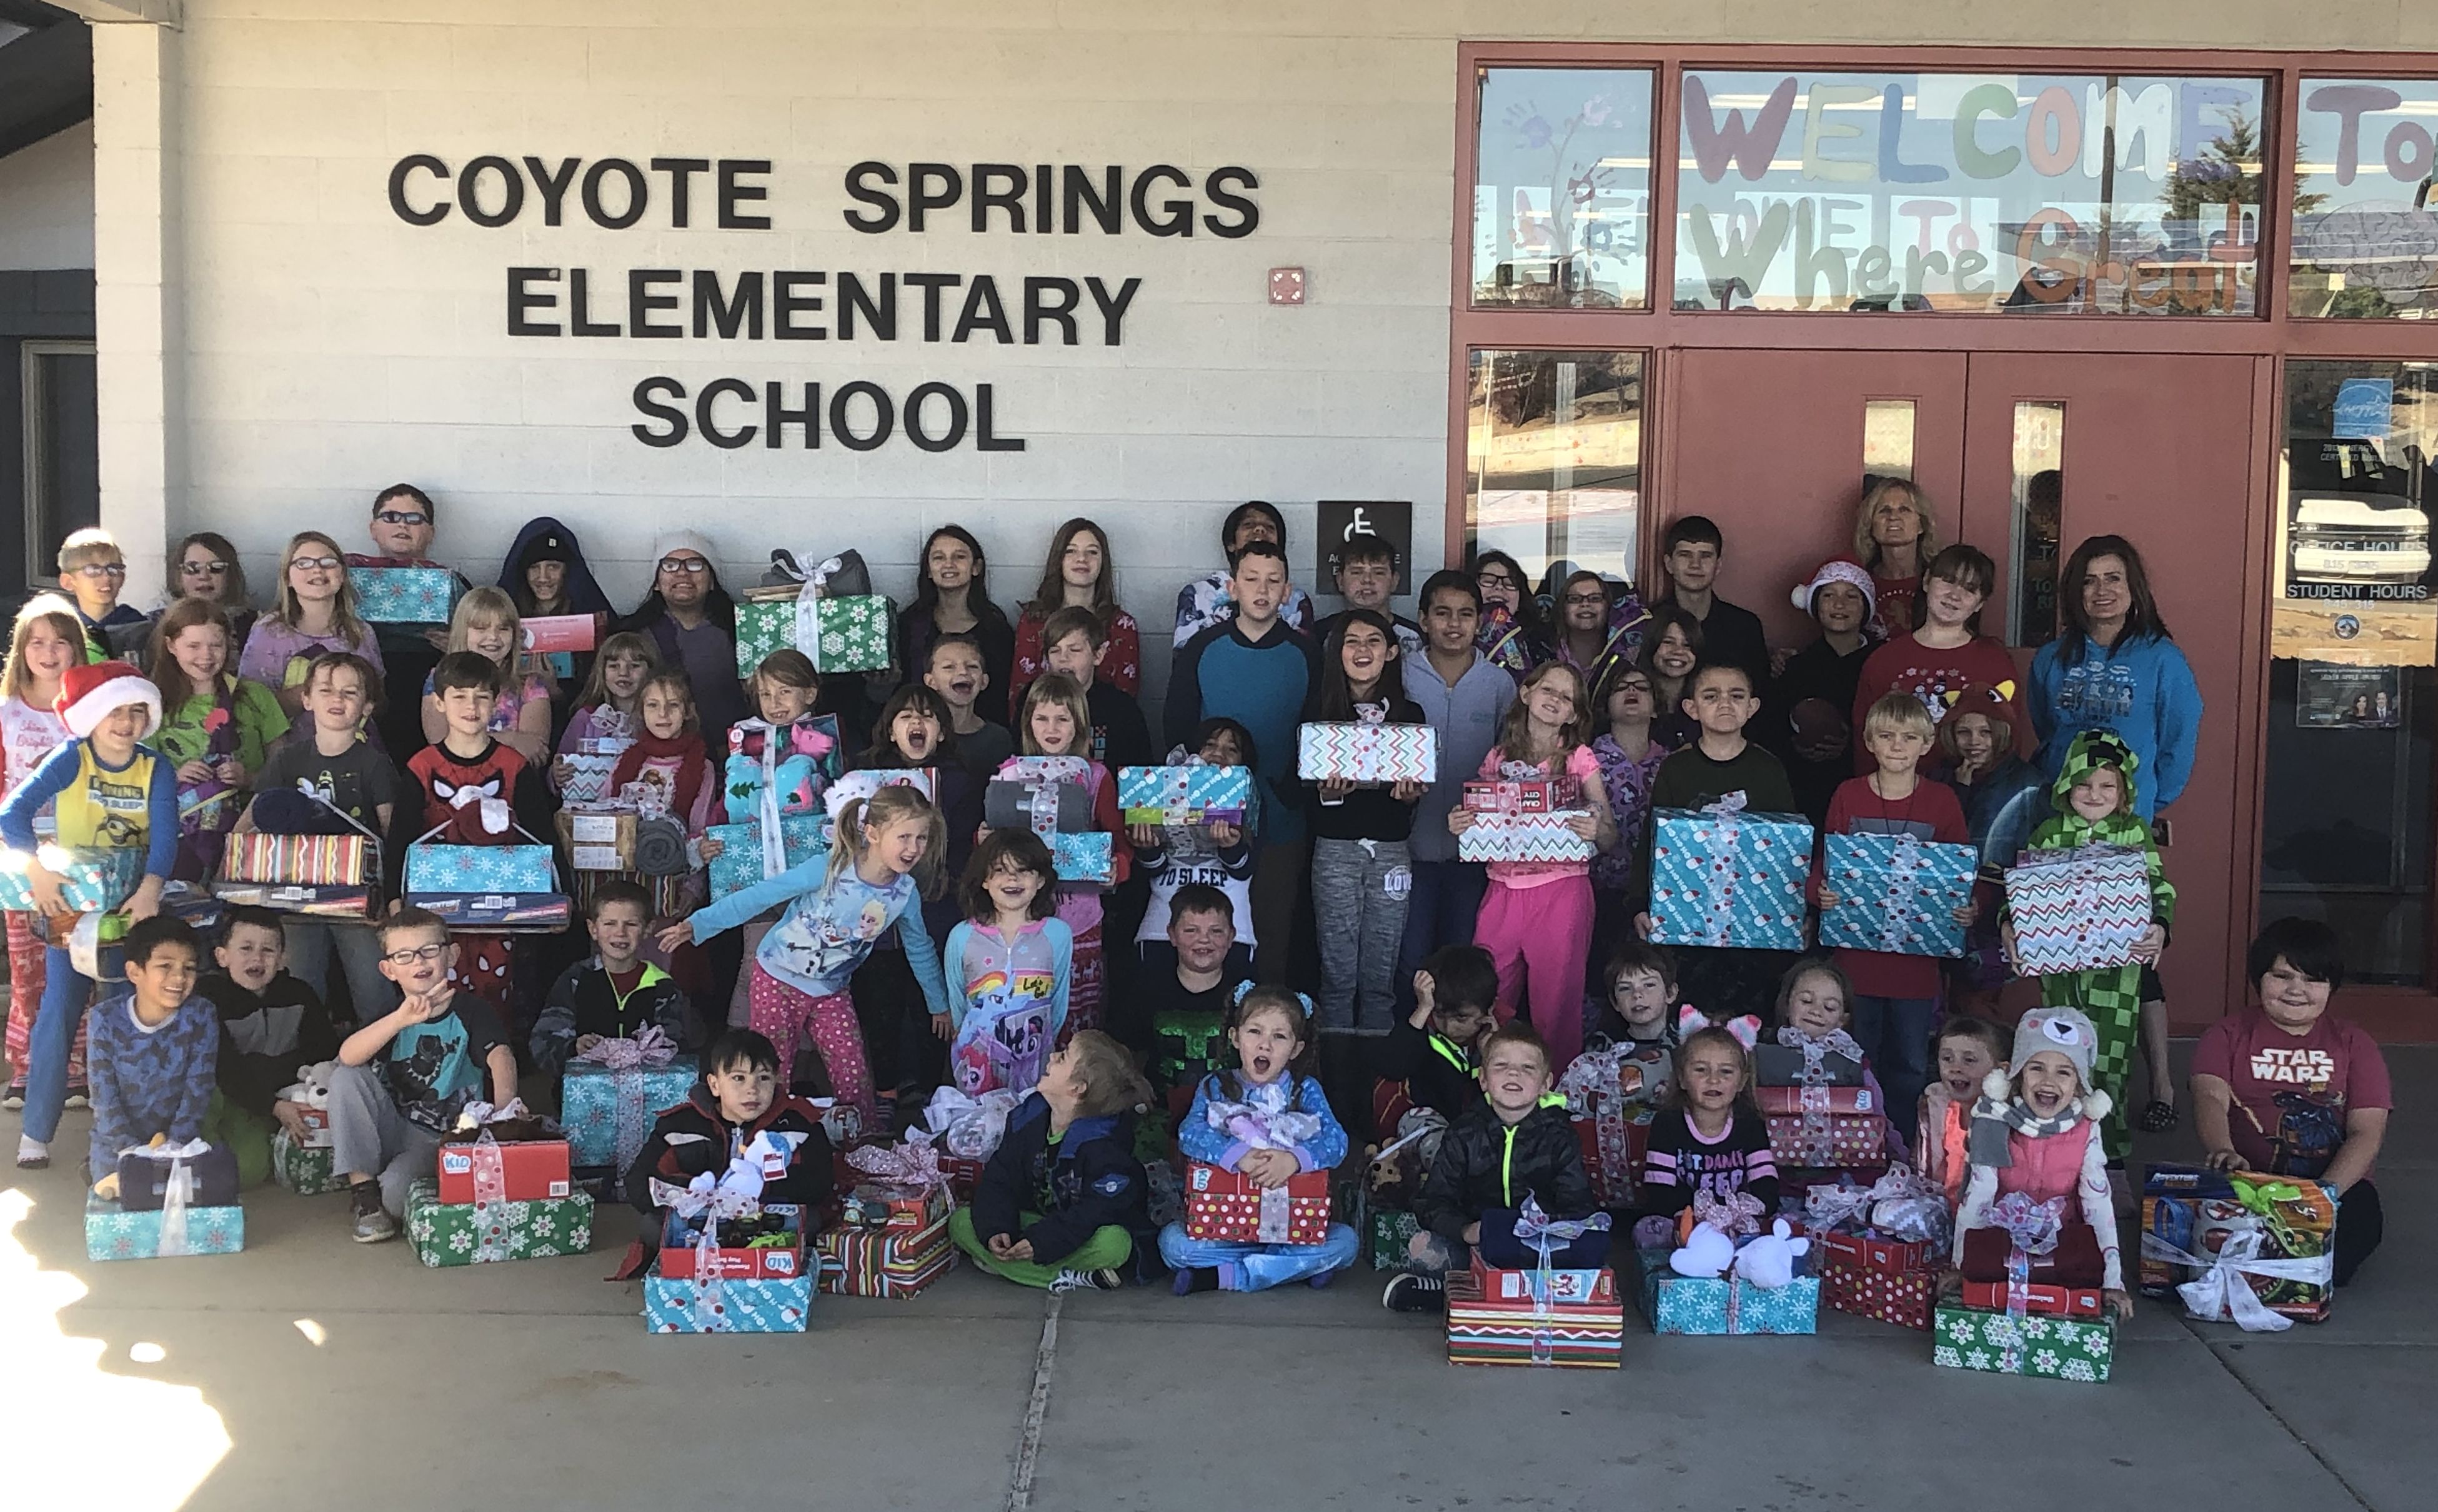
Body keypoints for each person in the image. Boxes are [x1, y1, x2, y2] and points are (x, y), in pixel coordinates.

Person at [659, 784, 952, 1127]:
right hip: (777, 979)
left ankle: (861, 1147)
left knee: (853, 1074)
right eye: (904, 837)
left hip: (830, 990)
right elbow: (761, 896)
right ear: (872, 833)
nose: (913, 848)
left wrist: (939, 1005)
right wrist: (697, 925)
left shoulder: (905, 893)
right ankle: (763, 1141)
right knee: (770, 1071)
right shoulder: (832, 867)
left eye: (922, 838)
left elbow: (920, 948)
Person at [1, 660, 176, 1170]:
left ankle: (124, 1130)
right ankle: (35, 1133)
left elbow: (166, 834)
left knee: (126, 1017)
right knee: (58, 1014)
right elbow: (13, 812)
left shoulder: (154, 766)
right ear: (93, 716)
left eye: (137, 713)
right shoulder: (69, 758)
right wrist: (35, 869)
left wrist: (149, 890)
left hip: (130, 917)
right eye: (115, 712)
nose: (126, 724)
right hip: (72, 915)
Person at [2001, 731, 2172, 1166]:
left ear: (2124, 791)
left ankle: (2109, 1160)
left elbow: (2159, 889)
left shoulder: (2132, 831)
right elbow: (2018, 893)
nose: (2095, 795)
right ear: (2065, 786)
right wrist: (2009, 927)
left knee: (2112, 1059)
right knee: (2060, 1055)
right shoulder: (2049, 833)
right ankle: (2059, 1153)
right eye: (2084, 784)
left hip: (2120, 973)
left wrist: (2160, 927)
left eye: (2107, 786)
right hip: (2060, 973)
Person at [2190, 918, 2387, 1285]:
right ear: (2259, 979)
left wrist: (2323, 1196)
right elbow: (2210, 1096)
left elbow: (2367, 1132)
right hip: (2248, 1181)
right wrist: (2222, 1150)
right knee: (2196, 1234)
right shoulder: (2227, 1034)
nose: (2297, 989)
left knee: (2350, 1241)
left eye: (2312, 979)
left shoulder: (2354, 1042)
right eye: (2282, 976)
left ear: (2331, 987)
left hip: (2333, 1187)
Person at [1809, 694, 1974, 1121]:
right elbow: (1824, 864)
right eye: (1887, 736)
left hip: (1916, 971)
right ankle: (1854, 1147)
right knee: (1851, 1059)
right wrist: (1820, 892)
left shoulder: (1943, 802)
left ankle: (1901, 1148)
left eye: (1909, 737)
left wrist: (1969, 909)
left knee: (1909, 1066)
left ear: (1927, 743)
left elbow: (1961, 878)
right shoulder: (1848, 795)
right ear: (1869, 742)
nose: (1897, 746)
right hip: (1855, 964)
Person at [1451, 661, 1615, 1073]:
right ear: (1526, 693)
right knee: (1489, 998)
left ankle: (1556, 1103)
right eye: (1548, 690)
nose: (1554, 700)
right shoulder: (1498, 758)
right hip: (1501, 890)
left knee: (1556, 1007)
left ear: (1575, 714)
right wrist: (1461, 823)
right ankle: (1488, 1092)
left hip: (1562, 892)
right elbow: (1477, 814)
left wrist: (1595, 828)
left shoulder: (1579, 758)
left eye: (1566, 697)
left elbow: (1610, 834)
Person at [1163, 541, 1315, 982]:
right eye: (1251, 579)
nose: (1262, 590)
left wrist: (1291, 789)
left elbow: (1318, 729)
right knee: (1204, 931)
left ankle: (1265, 1031)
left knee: (1271, 931)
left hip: (1283, 817)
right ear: (1233, 587)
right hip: (1209, 823)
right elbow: (1177, 731)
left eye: (1273, 581)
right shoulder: (1202, 649)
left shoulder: (1306, 654)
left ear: (1287, 591)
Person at [326, 907, 518, 1238]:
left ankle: (389, 1187)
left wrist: (505, 1117)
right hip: (390, 1125)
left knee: (398, 1201)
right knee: (345, 1075)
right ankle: (364, 1195)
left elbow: (501, 1057)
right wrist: (401, 1020)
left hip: (437, 1138)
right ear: (388, 970)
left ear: (452, 954)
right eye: (404, 956)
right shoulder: (390, 1015)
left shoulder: (471, 1010)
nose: (419, 963)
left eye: (429, 951)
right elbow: (348, 1055)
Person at [1385, 1022, 1602, 1313]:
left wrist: (1540, 1230)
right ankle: (1493, 1295)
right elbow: (1432, 1202)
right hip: (1479, 1244)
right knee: (1424, 1249)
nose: (1514, 1074)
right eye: (1502, 1066)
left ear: (1546, 1083)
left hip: (1540, 1250)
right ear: (1484, 1079)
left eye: (1528, 1068)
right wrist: (1464, 1230)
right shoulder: (1464, 1132)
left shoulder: (1560, 1136)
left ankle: (1456, 1297)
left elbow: (1579, 1207)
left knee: (1595, 1247)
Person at [235, 651, 405, 1021]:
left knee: (373, 991)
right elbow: (247, 824)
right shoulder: (287, 759)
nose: (337, 699)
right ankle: (304, 1068)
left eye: (350, 692)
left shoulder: (374, 764)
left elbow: (392, 835)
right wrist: (228, 879)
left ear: (368, 707)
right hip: (296, 899)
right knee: (299, 988)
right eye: (326, 690)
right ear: (307, 699)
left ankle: (380, 1069)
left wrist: (392, 900)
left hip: (361, 905)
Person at [1162, 985, 1358, 1293]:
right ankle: (1294, 1267)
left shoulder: (1304, 1089)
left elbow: (1337, 1142)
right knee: (1174, 1245)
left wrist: (1294, 1160)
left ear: (1296, 1049)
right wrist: (1237, 1154)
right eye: (1255, 1032)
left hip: (1295, 1227)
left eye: (1279, 1036)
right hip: (1225, 1229)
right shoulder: (1216, 1085)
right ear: (1236, 1038)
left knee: (1347, 1243)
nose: (1265, 1045)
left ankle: (1227, 1277)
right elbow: (1190, 1134)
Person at [1637, 659, 1800, 1022]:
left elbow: (1789, 850)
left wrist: (1795, 911)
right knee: (1690, 1015)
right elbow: (1653, 839)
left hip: (1753, 924)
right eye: (1711, 696)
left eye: (1736, 695)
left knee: (1750, 1019)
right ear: (1691, 708)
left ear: (1752, 707)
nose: (1725, 704)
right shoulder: (1676, 769)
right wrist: (1640, 904)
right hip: (1686, 920)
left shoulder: (1768, 769)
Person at [1952, 1006, 2133, 1319]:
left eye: (2064, 1072)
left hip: (2063, 1243)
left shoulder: (2086, 1128)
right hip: (2000, 1240)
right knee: (1982, 1289)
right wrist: (1959, 1266)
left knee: (2076, 1291)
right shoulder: (1993, 1118)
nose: (2048, 1081)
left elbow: (2098, 1204)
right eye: (2036, 1068)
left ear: (2079, 1086)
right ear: (2017, 1075)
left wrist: (2112, 1281)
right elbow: (1978, 1197)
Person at [1303, 609, 1426, 1053]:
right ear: (1337, 652)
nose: (1362, 651)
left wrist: (1411, 795)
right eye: (1351, 642)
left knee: (1381, 963)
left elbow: (1416, 789)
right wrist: (1329, 792)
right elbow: (1303, 787)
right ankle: (1335, 1068)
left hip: (1392, 850)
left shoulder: (1410, 714)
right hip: (1335, 846)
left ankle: (1378, 1074)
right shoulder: (1318, 711)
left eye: (1374, 641)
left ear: (1392, 652)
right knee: (1337, 964)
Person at [952, 1028, 1154, 1291]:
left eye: (1063, 1058)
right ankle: (1073, 1275)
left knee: (1116, 1244)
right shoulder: (1029, 1117)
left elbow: (1093, 1213)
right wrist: (997, 1228)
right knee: (960, 1222)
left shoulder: (1104, 1146)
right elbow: (999, 1177)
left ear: (1078, 1089)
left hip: (1074, 1232)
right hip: (1034, 1221)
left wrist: (1043, 1242)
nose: (1052, 1057)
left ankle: (1018, 1270)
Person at [1396, 569, 1516, 1010]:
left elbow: (1513, 761)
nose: (1453, 624)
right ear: (1423, 620)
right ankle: (1406, 1063)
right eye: (1442, 613)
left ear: (1480, 622)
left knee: (1463, 964)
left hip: (1475, 857)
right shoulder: (1401, 675)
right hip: (1408, 849)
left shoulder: (1499, 684)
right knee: (1410, 962)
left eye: (1466, 614)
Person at [2029, 534, 2201, 821]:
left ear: (2133, 587)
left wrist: (2144, 797)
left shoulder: (2164, 660)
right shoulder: (2051, 657)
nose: (2101, 590)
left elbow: (2178, 740)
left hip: (2127, 819)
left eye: (2113, 578)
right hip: (2056, 816)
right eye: (2089, 581)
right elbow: (2046, 728)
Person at [998, 674, 1132, 1036]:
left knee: (1078, 1018)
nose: (1052, 728)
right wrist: (986, 842)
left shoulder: (1096, 776)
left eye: (1063, 718)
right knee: (1025, 1013)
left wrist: (1116, 868)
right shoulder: (1009, 774)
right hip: (1021, 918)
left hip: (1080, 919)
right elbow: (995, 845)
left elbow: (1119, 839)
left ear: (1079, 724)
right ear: (1028, 722)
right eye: (1042, 718)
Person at [624, 1027, 835, 1251]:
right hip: (697, 1222)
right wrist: (695, 1193)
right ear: (715, 1085)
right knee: (653, 1226)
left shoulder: (799, 1125)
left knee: (810, 1222)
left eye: (763, 1078)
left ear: (776, 1081)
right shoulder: (678, 1125)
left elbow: (820, 1183)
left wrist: (758, 1190)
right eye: (738, 1078)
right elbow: (638, 1182)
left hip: (765, 1222)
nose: (752, 1090)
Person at [1, 597, 82, 1110]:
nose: (49, 652)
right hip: (20, 856)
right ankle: (28, 1064)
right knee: (27, 965)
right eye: (37, 642)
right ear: (21, 649)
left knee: (76, 962)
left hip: (80, 855)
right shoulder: (6, 711)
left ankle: (76, 1068)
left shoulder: (88, 711)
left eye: (60, 641)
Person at [1849, 544, 2024, 777]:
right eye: (1948, 580)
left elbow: (2008, 742)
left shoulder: (1994, 661)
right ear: (1926, 581)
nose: (1955, 595)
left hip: (1972, 798)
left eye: (1970, 589)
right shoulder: (1884, 660)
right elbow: (1864, 739)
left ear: (1980, 604)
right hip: (1896, 795)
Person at [146, 597, 287, 882]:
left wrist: (249, 778)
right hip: (177, 835)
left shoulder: (254, 696)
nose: (206, 656)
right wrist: (175, 776)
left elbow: (284, 768)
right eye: (193, 646)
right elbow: (138, 772)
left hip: (248, 832)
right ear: (172, 646)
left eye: (216, 645)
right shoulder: (153, 701)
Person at [199, 905, 339, 1187]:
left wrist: (307, 1096)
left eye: (268, 951)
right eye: (246, 949)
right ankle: (184, 1158)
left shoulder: (299, 996)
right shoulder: (208, 999)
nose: (257, 959)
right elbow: (224, 1067)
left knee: (250, 1170)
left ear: (283, 958)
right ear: (222, 956)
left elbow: (324, 1052)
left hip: (274, 1100)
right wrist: (273, 1106)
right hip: (226, 1094)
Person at [81, 915, 217, 1193]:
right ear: (134, 972)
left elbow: (199, 1088)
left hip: (180, 1143)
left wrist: (173, 1145)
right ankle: (96, 1166)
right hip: (117, 1146)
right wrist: (131, 1151)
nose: (179, 978)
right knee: (123, 1204)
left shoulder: (201, 1015)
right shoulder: (104, 1019)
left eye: (189, 968)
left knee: (191, 1205)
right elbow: (103, 1097)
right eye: (165, 966)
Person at [941, 830, 1073, 1097]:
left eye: (1023, 870)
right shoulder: (962, 936)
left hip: (1036, 1064)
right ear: (985, 881)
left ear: (1041, 881)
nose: (1012, 878)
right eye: (1000, 869)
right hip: (977, 1064)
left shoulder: (1058, 935)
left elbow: (1058, 1003)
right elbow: (957, 1002)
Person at [1939, 681, 2044, 1011]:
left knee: (1979, 997)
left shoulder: (2029, 783)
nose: (1974, 743)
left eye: (1985, 732)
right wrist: (1960, 788)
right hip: (1946, 904)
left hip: (1998, 908)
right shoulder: (1941, 779)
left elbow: (2037, 851)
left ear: (2001, 733)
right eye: (1964, 732)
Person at [1130, 720, 1258, 980]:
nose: (1218, 753)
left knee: (1227, 1012)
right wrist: (1147, 849)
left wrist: (1230, 847)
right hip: (1161, 924)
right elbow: (1154, 870)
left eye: (1231, 750)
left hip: (1230, 929)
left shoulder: (1251, 796)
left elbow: (1247, 869)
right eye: (1209, 745)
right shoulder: (1164, 789)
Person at [531, 880, 691, 1078]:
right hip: (584, 1096)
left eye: (631, 924)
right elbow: (541, 1044)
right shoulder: (575, 980)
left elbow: (679, 1047)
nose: (620, 933)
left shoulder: (663, 987)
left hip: (647, 1097)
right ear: (593, 929)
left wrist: (650, 1051)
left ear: (648, 929)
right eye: (610, 923)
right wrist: (574, 1047)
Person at [238, 531, 385, 731]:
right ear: (287, 577)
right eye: (303, 563)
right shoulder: (268, 631)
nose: (317, 569)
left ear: (342, 575)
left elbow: (377, 700)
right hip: (287, 749)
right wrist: (317, 691)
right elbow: (250, 704)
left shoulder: (361, 632)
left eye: (328, 562)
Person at [1640, 1011, 1780, 1218]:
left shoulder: (1749, 1123)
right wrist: (1701, 1216)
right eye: (1701, 1070)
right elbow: (1659, 1191)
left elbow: (1766, 1188)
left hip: (1737, 1218)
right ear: (1682, 1078)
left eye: (1725, 1072)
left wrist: (1737, 1213)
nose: (1713, 1080)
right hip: (1684, 1220)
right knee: (1649, 1231)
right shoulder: (1668, 1124)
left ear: (1742, 1082)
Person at [1771, 559, 1879, 825]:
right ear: (1815, 605)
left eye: (1851, 596)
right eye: (1829, 595)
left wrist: (1850, 743)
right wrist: (1796, 743)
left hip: (1868, 790)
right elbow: (1771, 729)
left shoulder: (1882, 663)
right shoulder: (1795, 667)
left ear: (1867, 607)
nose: (1839, 605)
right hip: (1805, 793)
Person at [344, 484, 448, 759]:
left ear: (431, 532)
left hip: (428, 699)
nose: (402, 524)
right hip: (358, 694)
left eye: (414, 519)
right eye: (390, 517)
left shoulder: (455, 586)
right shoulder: (340, 582)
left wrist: (459, 644)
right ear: (373, 528)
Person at [1126, 883, 1253, 1102]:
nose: (1204, 939)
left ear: (1232, 936)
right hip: (1161, 1104)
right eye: (1191, 931)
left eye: (1216, 931)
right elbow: (1130, 1050)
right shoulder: (1148, 986)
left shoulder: (1248, 990)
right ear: (1172, 935)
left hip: (1232, 1104)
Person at [622, 529, 747, 746]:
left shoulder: (739, 630)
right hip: (659, 758)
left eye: (695, 565)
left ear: (712, 581)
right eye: (670, 565)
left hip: (732, 754)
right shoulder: (634, 636)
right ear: (657, 583)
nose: (682, 573)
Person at [1586, 659, 1671, 978]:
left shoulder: (1672, 762)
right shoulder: (1586, 760)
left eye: (1641, 687)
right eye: (1621, 688)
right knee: (1596, 975)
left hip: (1653, 895)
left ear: (1655, 707)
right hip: (1597, 889)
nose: (1631, 691)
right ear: (1607, 706)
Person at [419, 587, 555, 766]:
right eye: (481, 628)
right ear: (463, 631)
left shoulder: (531, 685)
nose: (493, 637)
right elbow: (441, 746)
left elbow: (533, 753)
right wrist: (510, 739)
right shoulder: (439, 679)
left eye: (503, 629)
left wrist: (470, 741)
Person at [1011, 517, 1142, 704]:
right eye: (1071, 551)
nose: (1082, 559)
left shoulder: (1122, 625)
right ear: (1059, 559)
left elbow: (1127, 698)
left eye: (1092, 552)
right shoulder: (1033, 621)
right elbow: (1020, 693)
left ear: (1103, 561)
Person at [902, 525, 1017, 727]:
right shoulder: (908, 625)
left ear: (976, 568)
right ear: (928, 570)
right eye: (939, 558)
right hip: (921, 743)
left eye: (959, 557)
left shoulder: (996, 629)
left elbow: (1003, 696)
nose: (949, 564)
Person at [1171, 500, 1316, 647]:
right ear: (1231, 543)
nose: (1260, 530)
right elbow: (1183, 658)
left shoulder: (1297, 600)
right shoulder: (1197, 594)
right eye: (1249, 525)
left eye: (1270, 527)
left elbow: (1305, 658)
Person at [724, 649, 843, 826]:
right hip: (751, 843)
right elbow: (729, 794)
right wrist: (714, 827)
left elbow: (842, 791)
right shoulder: (746, 734)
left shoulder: (825, 734)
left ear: (810, 694)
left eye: (785, 692)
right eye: (766, 694)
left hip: (811, 837)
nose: (774, 703)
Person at [1378, 943, 1496, 1121]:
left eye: (1461, 1018)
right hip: (1429, 1126)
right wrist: (1423, 1008)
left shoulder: (1506, 1037)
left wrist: (1492, 1053)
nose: (1449, 1027)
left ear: (1490, 1008)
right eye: (1440, 1015)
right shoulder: (1423, 1030)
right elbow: (1392, 1068)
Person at [497, 516, 612, 691]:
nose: (543, 577)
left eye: (553, 567)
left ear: (567, 570)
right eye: (534, 567)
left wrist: (555, 692)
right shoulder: (506, 615)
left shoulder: (591, 618)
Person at [1650, 516, 1768, 687]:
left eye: (1705, 556)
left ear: (1718, 565)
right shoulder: (1649, 623)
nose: (1695, 565)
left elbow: (1761, 694)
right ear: (1669, 564)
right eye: (1685, 555)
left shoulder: (1745, 627)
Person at [1037, 605, 1153, 773]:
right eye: (1055, 651)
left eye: (1074, 650)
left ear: (1098, 655)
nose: (1063, 658)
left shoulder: (1122, 709)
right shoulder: (1032, 700)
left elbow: (1139, 777)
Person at [1917, 1015, 2009, 1202]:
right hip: (1944, 1208)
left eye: (1969, 1060)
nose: (1955, 1068)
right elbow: (1931, 1169)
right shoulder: (1940, 1109)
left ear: (2000, 1070)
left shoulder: (2005, 1118)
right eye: (1947, 1058)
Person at [552, 630, 657, 788]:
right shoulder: (586, 717)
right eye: (614, 666)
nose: (624, 673)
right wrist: (557, 775)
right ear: (602, 672)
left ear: (650, 671)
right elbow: (562, 760)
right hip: (590, 809)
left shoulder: (659, 719)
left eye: (634, 666)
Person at [1313, 534, 1423, 660]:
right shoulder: (1319, 635)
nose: (1367, 580)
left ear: (1394, 581)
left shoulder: (1415, 637)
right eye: (1356, 572)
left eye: (1379, 573)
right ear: (1340, 581)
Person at [1853, 478, 1938, 640]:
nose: (1893, 517)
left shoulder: (1940, 582)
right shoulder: (1858, 583)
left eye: (1904, 510)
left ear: (1921, 525)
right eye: (1884, 510)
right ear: (1870, 525)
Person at [923, 632, 1015, 779]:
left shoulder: (998, 739)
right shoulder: (921, 735)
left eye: (972, 666)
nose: (963, 672)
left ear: (984, 681)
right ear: (930, 681)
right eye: (949, 667)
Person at [56, 527, 149, 664]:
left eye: (114, 569)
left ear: (122, 577)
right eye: (93, 570)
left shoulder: (140, 628)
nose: (106, 577)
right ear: (68, 582)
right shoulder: (63, 629)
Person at [1591, 939, 1683, 1077]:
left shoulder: (1687, 1045)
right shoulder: (1600, 1049)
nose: (1637, 995)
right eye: (1625, 988)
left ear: (1670, 993)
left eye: (1649, 985)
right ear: (1614, 1001)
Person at [1548, 569, 1644, 690]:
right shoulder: (1544, 652)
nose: (1585, 604)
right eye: (1575, 599)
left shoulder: (1626, 654)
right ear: (1563, 608)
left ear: (1608, 606)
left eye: (1595, 598)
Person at [161, 531, 256, 652]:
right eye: (192, 568)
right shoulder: (158, 624)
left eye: (216, 568)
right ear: (179, 575)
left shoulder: (254, 627)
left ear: (231, 574)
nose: (204, 576)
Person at [1468, 549, 1545, 683]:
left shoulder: (1539, 647)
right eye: (1489, 581)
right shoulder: (1456, 637)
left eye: (1509, 584)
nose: (1499, 587)